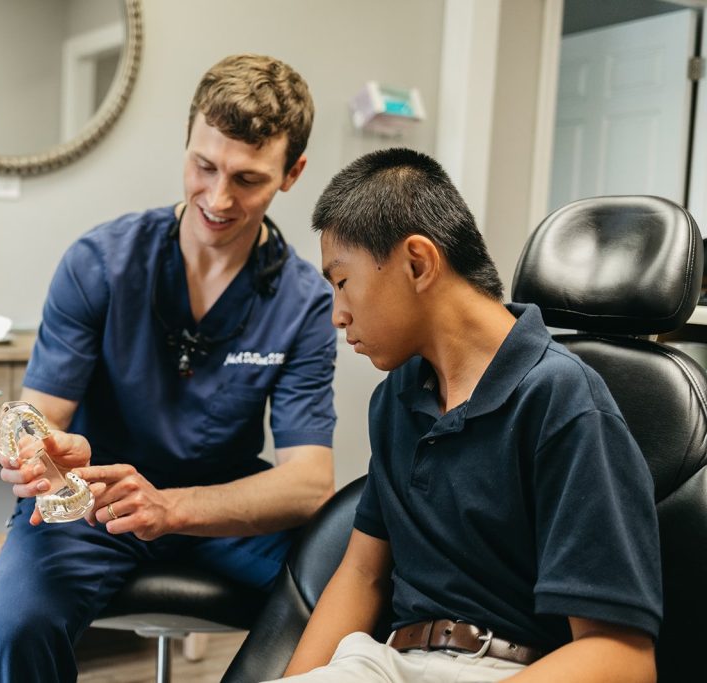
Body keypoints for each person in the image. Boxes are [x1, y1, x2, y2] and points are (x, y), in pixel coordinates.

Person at [0, 54, 338, 682]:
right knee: (14, 629)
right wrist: (44, 452)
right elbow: (41, 418)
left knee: (358, 590)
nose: (218, 198)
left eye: (247, 179)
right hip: (97, 501)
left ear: (292, 174)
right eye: (204, 165)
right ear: (187, 142)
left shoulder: (305, 302)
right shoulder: (98, 263)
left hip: (225, 508)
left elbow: (307, 484)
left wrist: (173, 508)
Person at [273, 148, 662, 682]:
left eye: (341, 282)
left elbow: (622, 659)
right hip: (386, 662)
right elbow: (362, 574)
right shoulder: (396, 400)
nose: (338, 315)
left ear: (418, 262)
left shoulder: (564, 401)